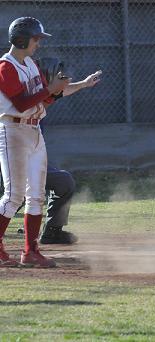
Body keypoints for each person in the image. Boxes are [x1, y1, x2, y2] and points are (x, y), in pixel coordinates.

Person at [0, 17, 70, 267]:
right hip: (13, 130)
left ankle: (30, 251)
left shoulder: (30, 64)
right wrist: (50, 89)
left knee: (37, 195)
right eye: (35, 39)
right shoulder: (5, 66)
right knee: (13, 196)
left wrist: (56, 92)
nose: (38, 44)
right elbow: (20, 103)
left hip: (35, 131)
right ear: (20, 39)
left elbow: (41, 101)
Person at [18, 60, 101, 245]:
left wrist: (84, 84)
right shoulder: (25, 99)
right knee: (14, 197)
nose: (61, 81)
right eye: (56, 78)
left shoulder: (43, 97)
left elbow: (59, 92)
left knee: (63, 181)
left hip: (31, 158)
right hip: (14, 157)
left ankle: (52, 232)